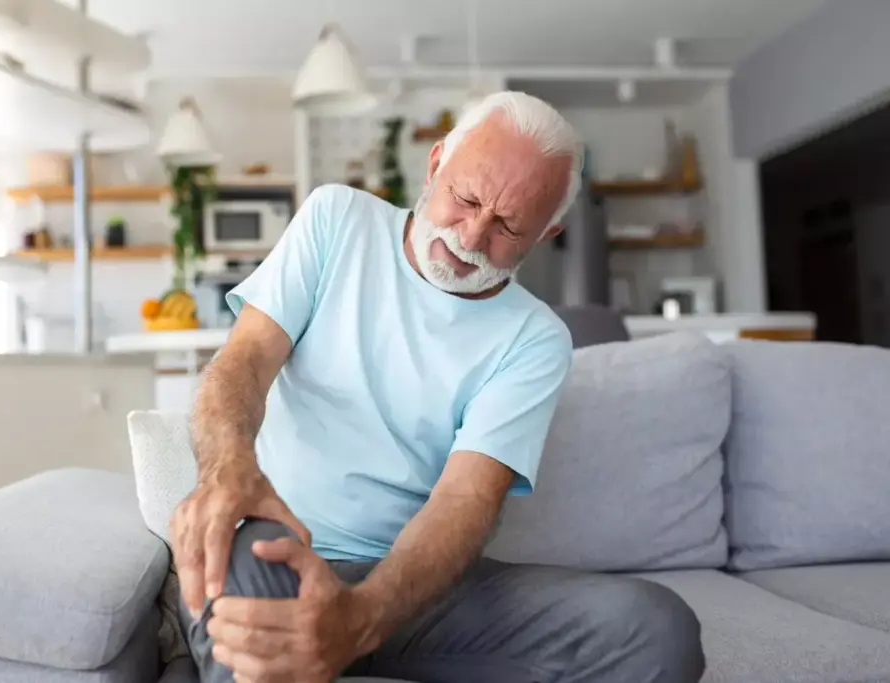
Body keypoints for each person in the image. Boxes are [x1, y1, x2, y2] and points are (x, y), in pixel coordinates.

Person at [170, 91, 705, 683]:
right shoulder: (336, 220)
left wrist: (362, 618)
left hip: (414, 589)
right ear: (435, 165)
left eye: (506, 225)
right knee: (247, 579)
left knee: (656, 629)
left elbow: (464, 501)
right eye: (466, 198)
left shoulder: (535, 339)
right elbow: (245, 360)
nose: (471, 238)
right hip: (283, 552)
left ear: (546, 232)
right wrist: (229, 470)